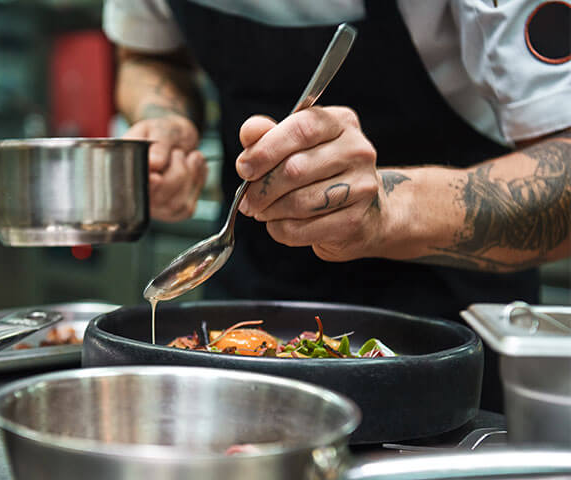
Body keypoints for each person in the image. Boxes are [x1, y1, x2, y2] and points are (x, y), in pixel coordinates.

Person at [102, 0, 571, 412]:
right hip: (243, 303)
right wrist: (163, 117)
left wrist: (390, 208)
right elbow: (148, 52)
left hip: (444, 339)